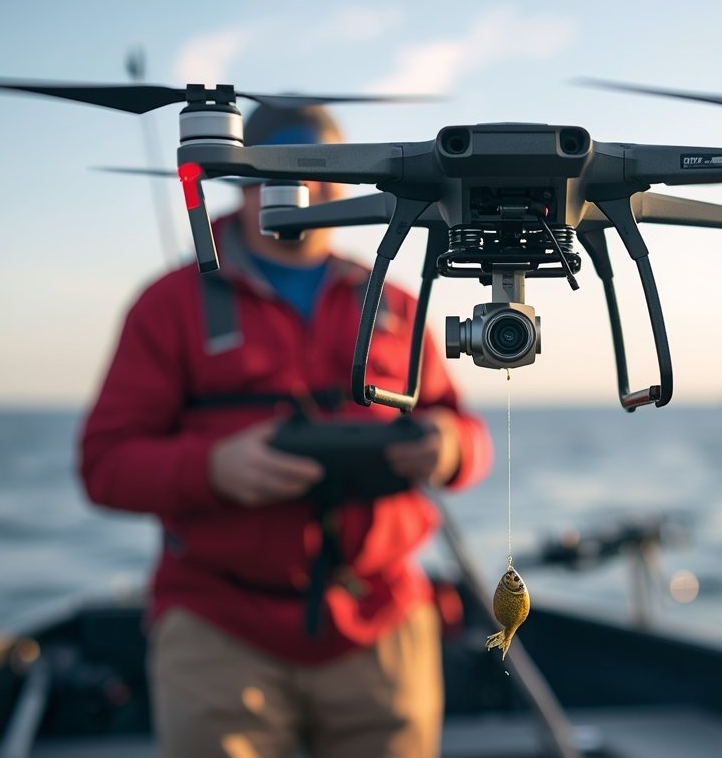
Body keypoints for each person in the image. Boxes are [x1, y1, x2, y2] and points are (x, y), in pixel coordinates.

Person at [79, 102, 492, 758]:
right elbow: (103, 465)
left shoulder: (395, 302)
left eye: (326, 170)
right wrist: (213, 468)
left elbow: (467, 431)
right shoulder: (169, 305)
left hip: (383, 619)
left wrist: (448, 450)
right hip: (218, 626)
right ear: (244, 181)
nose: (309, 188)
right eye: (286, 168)